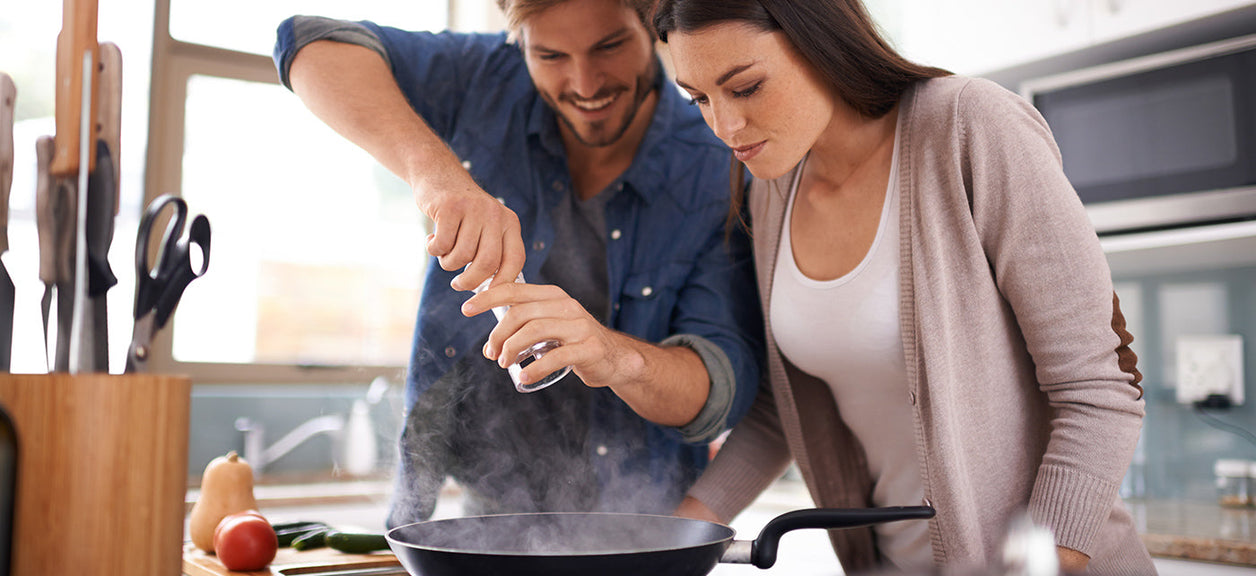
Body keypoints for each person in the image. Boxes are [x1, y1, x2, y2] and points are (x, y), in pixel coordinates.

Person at [653, 0, 1154, 573]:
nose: (724, 127)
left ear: (820, 40)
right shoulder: (773, 189)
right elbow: (782, 407)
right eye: (698, 99)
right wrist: (674, 539)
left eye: (745, 88)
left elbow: (1098, 390)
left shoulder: (971, 127)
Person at [272, 0, 763, 527]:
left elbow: (717, 389)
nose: (584, 83)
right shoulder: (486, 77)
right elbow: (308, 43)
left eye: (609, 47)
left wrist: (613, 356)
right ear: (519, 43)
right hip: (481, 517)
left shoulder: (718, 161)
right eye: (550, 54)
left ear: (652, 27)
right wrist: (439, 179)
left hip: (641, 529)